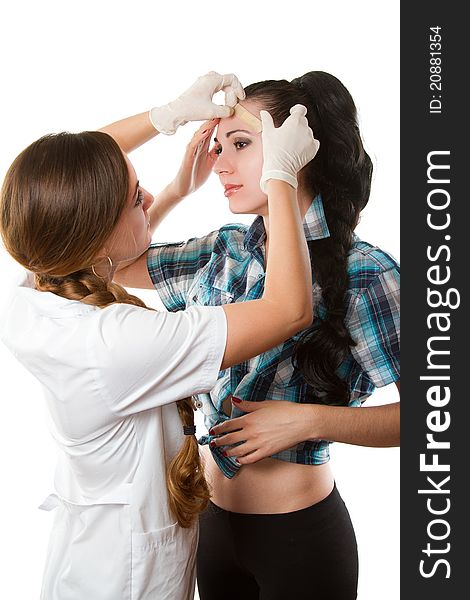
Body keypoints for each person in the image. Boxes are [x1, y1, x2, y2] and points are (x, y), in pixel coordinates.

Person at [0, 72, 319, 600]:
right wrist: (279, 178)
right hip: (122, 583)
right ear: (95, 233)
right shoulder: (120, 343)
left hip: (89, 561)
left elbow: (65, 187)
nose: (146, 196)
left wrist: (166, 119)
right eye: (134, 200)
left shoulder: (33, 292)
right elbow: (288, 309)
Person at [114, 70, 400, 600]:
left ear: (298, 151)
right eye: (218, 146)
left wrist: (310, 421)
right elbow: (109, 261)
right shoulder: (224, 250)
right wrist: (178, 187)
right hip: (210, 525)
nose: (221, 163)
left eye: (240, 144)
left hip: (301, 538)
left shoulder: (367, 271)